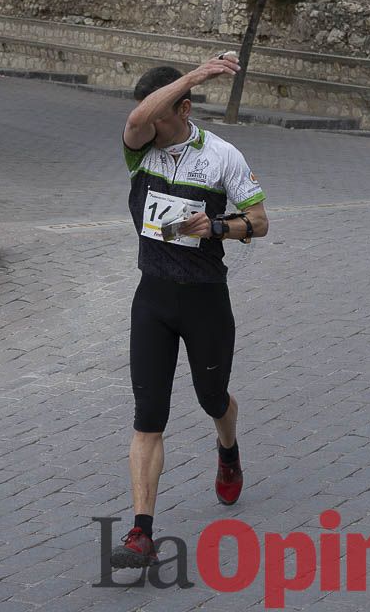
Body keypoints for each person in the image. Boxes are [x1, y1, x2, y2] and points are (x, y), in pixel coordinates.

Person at [110, 54, 269, 569]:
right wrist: (195, 73)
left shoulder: (222, 156)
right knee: (147, 418)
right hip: (152, 297)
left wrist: (218, 228)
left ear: (184, 109)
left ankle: (228, 450)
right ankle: (141, 530)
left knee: (212, 397)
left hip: (204, 297)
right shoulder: (140, 150)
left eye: (160, 115)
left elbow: (261, 222)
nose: (146, 124)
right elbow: (135, 123)